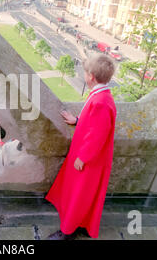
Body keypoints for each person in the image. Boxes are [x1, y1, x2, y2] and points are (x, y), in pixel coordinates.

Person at [45, 54, 117, 240]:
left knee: (79, 195)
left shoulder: (101, 101)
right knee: (85, 195)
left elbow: (98, 135)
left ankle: (67, 232)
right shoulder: (102, 96)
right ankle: (83, 224)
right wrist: (77, 120)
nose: (84, 75)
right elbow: (93, 124)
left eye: (85, 72)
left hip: (89, 160)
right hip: (91, 157)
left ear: (91, 76)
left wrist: (83, 157)